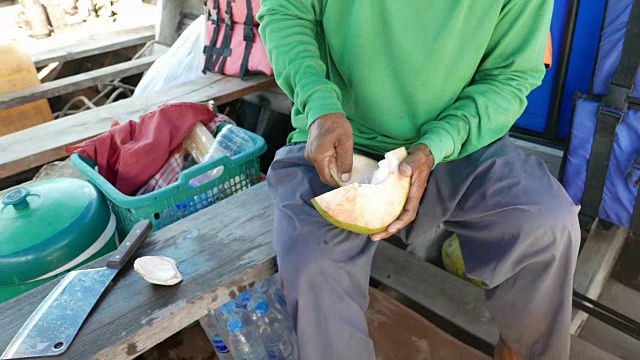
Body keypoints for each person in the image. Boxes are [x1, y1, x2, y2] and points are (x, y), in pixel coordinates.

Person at [257, 1, 580, 359]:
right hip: (340, 137)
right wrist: (319, 104)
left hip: (458, 141)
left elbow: (511, 74)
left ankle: (519, 349)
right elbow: (286, 12)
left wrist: (437, 144)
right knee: (312, 265)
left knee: (548, 224)